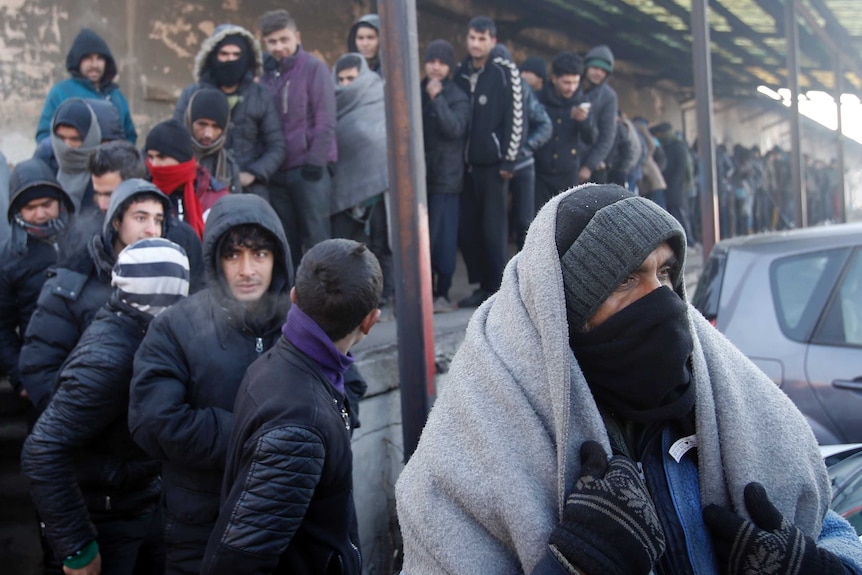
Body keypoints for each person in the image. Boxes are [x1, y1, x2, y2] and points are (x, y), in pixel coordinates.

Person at [396, 184, 862, 574]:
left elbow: (827, 525)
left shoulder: (722, 399)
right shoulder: (467, 453)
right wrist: (569, 567)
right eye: (626, 280)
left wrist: (820, 565)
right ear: (568, 309)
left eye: (665, 272)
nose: (661, 299)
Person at [128, 194, 293, 575]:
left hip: (290, 519)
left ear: (277, 258)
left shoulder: (301, 324)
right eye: (233, 255)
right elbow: (154, 421)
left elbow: (346, 391)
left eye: (260, 254)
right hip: (203, 525)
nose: (247, 269)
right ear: (215, 260)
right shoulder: (176, 327)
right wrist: (254, 440)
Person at [200, 238, 382, 574]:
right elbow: (240, 561)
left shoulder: (284, 363)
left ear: (295, 296)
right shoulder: (300, 426)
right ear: (371, 321)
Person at [21, 237, 190, 575]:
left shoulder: (141, 333)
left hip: (142, 506)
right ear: (161, 299)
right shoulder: (108, 361)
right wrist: (77, 547)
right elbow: (42, 450)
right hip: (107, 522)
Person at [18, 179, 178, 412]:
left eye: (159, 220)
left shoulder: (171, 283)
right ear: (116, 221)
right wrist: (76, 419)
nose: (152, 230)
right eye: (141, 218)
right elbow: (39, 368)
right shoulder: (70, 287)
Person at [454, 16, 523, 308]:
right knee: (470, 229)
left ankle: (497, 290)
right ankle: (482, 287)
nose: (476, 44)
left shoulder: (504, 71)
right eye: (472, 38)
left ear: (492, 41)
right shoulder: (461, 72)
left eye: (482, 39)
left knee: (493, 230)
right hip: (466, 166)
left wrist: (509, 158)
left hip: (495, 165)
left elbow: (516, 116)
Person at [259, 9, 336, 269]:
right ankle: (296, 298)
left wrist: (315, 161)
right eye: (272, 42)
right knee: (285, 240)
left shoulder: (314, 67)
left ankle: (327, 299)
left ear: (297, 37)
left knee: (317, 238)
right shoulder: (266, 74)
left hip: (308, 169)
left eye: (284, 39)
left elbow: (326, 119)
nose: (279, 47)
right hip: (278, 171)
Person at [173, 24, 284, 200]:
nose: (230, 60)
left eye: (236, 55)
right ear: (213, 56)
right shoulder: (192, 94)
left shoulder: (260, 96)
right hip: (198, 188)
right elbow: (175, 137)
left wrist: (253, 173)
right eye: (224, 54)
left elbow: (277, 146)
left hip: (249, 191)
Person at [0, 160, 74, 398]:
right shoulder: (10, 258)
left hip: (83, 363)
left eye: (46, 204)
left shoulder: (81, 239)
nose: (40, 214)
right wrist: (20, 377)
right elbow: (2, 327)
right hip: (38, 371)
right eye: (30, 207)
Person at [330, 53, 394, 319]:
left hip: (380, 189)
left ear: (364, 75)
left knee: (382, 245)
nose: (346, 85)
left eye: (351, 79)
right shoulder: (331, 105)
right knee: (350, 248)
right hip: (346, 192)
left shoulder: (379, 97)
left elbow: (384, 142)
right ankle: (356, 299)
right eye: (341, 79)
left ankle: (386, 297)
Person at [421, 39, 469, 313]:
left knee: (443, 239)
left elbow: (454, 129)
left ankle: (442, 292)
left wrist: (437, 99)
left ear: (449, 67)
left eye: (441, 63)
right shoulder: (418, 89)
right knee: (422, 239)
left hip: (446, 179)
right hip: (420, 177)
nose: (436, 67)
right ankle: (425, 291)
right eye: (432, 61)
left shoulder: (456, 95)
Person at [492, 44, 552, 252]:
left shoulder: (520, 88)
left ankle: (528, 268)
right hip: (495, 164)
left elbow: (546, 125)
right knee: (496, 222)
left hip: (522, 165)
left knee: (524, 221)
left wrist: (523, 148)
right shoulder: (487, 85)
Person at [36, 28, 136, 144]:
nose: (94, 64)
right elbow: (44, 135)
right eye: (88, 58)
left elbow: (129, 136)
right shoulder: (60, 92)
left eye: (99, 58)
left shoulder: (117, 96)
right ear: (78, 61)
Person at [145, 118, 229, 238]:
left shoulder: (215, 198)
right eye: (150, 157)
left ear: (181, 160)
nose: (154, 164)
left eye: (161, 157)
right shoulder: (142, 195)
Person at [534, 52, 595, 210]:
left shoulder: (582, 102)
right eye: (566, 83)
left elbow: (591, 138)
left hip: (567, 174)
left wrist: (584, 121)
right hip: (539, 173)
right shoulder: (538, 99)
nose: (571, 88)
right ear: (554, 78)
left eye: (575, 83)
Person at [42, 98, 102, 213]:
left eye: (75, 139)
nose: (67, 145)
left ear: (89, 138)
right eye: (61, 138)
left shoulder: (103, 166)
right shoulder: (46, 159)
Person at [183, 87, 242, 194]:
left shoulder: (229, 167)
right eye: (202, 124)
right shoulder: (169, 155)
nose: (208, 134)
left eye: (216, 127)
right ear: (190, 121)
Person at [578, 45, 619, 185]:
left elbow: (607, 136)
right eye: (595, 68)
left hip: (589, 164)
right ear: (586, 67)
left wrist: (589, 166)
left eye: (603, 71)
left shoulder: (608, 97)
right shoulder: (573, 87)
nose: (599, 73)